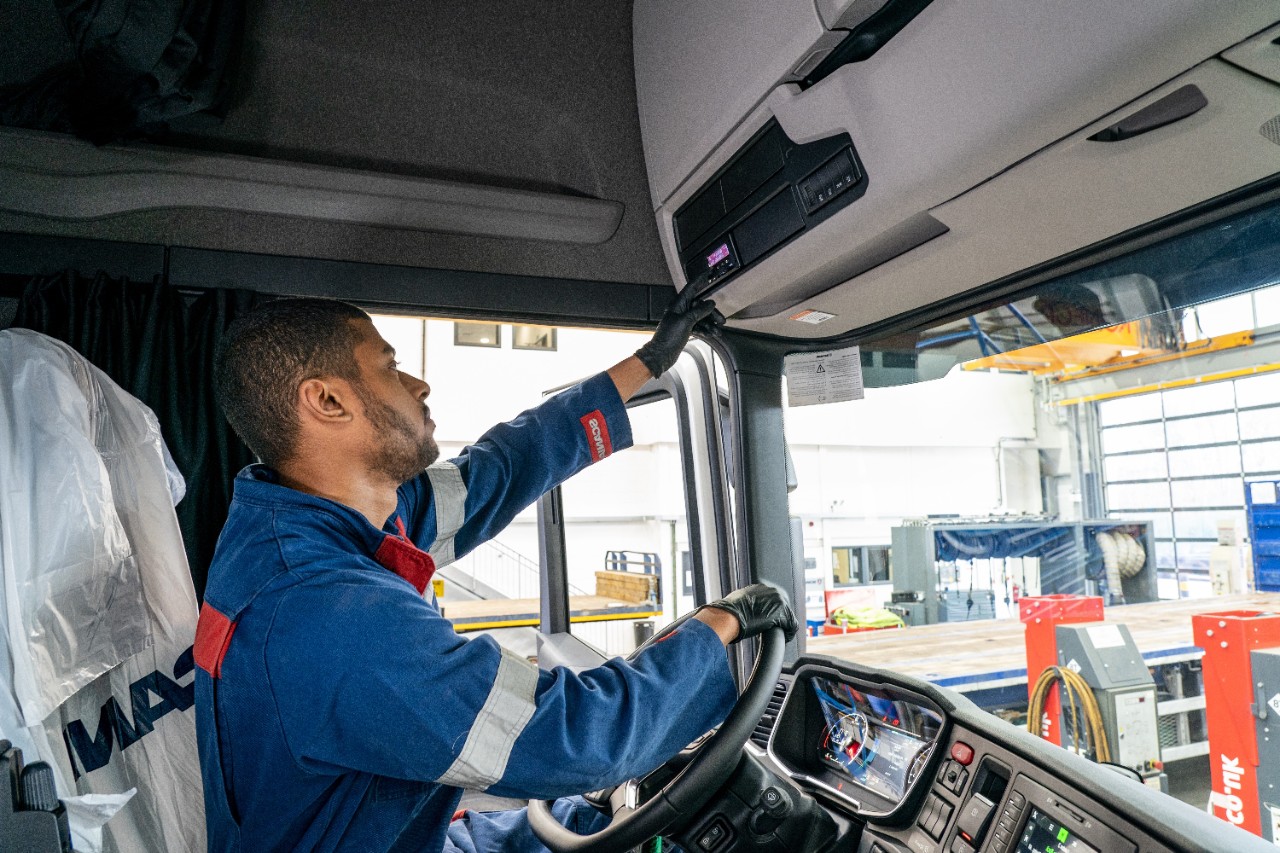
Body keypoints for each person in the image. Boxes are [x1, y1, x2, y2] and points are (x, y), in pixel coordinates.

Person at [195, 293, 799, 853]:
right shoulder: (324, 611)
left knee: (584, 819)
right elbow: (577, 738)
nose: (418, 384)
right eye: (389, 367)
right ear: (328, 401)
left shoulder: (311, 521)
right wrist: (718, 625)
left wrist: (648, 362)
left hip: (400, 834)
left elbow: (503, 467)